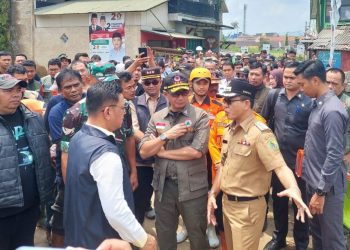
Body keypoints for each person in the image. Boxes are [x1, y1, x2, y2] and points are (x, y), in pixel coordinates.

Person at [207, 78, 312, 250]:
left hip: (247, 210)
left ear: (246, 103)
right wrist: (213, 193)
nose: (224, 105)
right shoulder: (229, 129)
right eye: (223, 100)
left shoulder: (261, 134)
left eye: (229, 101)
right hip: (227, 204)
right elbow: (224, 165)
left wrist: (294, 188)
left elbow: (280, 166)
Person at [64, 81, 157, 249]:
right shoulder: (105, 153)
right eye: (122, 108)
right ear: (107, 112)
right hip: (102, 239)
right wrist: (143, 239)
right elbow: (116, 210)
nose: (124, 113)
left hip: (80, 232)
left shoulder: (78, 137)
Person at [139, 72, 210, 250]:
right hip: (164, 186)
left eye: (184, 93)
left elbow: (196, 151)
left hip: (193, 187)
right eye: (175, 94)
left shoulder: (200, 116)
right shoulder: (157, 118)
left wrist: (163, 153)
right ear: (166, 94)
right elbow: (144, 151)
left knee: (198, 233)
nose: (180, 98)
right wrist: (165, 136)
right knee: (165, 234)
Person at [295, 60, 349, 249]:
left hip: (328, 189)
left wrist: (321, 191)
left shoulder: (332, 110)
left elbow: (335, 154)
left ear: (316, 80)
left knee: (332, 241)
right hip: (314, 183)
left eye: (302, 84)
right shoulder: (318, 104)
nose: (300, 89)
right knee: (317, 235)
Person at [261, 62, 312, 250]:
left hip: (302, 163)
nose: (288, 81)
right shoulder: (274, 96)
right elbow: (263, 121)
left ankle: (301, 242)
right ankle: (279, 237)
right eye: (286, 77)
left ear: (301, 78)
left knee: (300, 202)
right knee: (280, 201)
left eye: (292, 77)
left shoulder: (310, 100)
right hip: (278, 161)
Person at [0, 74, 55, 249]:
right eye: (9, 90)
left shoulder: (32, 118)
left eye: (18, 89)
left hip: (30, 207)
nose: (16, 94)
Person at [48, 69, 84, 247]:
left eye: (76, 85)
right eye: (67, 87)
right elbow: (62, 146)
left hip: (93, 171)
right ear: (61, 90)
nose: (73, 90)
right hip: (66, 173)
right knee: (60, 222)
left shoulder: (93, 104)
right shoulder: (56, 112)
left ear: (82, 84)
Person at [132, 67, 168, 225]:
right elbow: (133, 129)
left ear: (160, 82)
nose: (151, 85)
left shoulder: (169, 101)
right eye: (147, 82)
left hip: (166, 160)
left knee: (166, 204)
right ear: (142, 83)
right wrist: (154, 144)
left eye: (155, 81)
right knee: (139, 203)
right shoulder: (134, 102)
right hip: (142, 161)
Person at [326, 68, 350, 170]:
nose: (330, 86)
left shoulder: (348, 104)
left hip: (342, 157)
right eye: (327, 82)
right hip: (322, 155)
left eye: (334, 83)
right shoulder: (319, 100)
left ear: (343, 86)